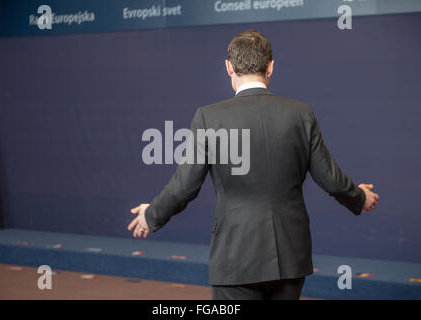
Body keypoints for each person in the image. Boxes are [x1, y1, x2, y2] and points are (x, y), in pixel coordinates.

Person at [127, 30, 379, 300]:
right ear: (270, 67)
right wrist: (359, 196)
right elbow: (328, 177)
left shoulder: (209, 118)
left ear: (228, 67)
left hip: (235, 257)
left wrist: (152, 213)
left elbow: (185, 185)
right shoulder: (300, 115)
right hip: (290, 257)